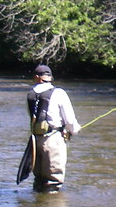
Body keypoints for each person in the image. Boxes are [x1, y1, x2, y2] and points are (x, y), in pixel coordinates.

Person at [26, 64, 80, 192]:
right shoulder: (59, 93)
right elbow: (70, 121)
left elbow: (31, 116)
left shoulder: (30, 94)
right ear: (50, 77)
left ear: (36, 77)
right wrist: (74, 130)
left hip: (35, 141)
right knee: (53, 182)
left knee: (39, 180)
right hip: (54, 139)